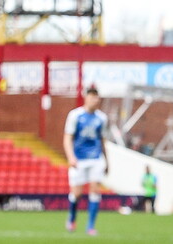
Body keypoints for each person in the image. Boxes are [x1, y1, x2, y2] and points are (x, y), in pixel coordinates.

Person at [63, 86, 109, 236]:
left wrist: (107, 160)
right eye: (92, 97)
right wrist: (71, 157)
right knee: (76, 193)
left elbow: (102, 140)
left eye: (97, 97)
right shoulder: (75, 115)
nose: (95, 100)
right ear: (86, 98)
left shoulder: (102, 118)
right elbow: (68, 138)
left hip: (96, 158)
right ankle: (72, 218)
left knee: (95, 190)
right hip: (79, 159)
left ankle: (90, 226)